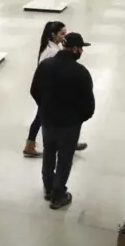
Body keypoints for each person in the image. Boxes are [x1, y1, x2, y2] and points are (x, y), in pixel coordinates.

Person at [30, 32, 95, 209]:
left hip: (48, 120)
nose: (82, 51)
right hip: (69, 124)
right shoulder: (81, 73)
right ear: (74, 49)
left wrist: (44, 108)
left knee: (49, 152)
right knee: (65, 158)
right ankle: (59, 195)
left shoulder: (45, 66)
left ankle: (48, 187)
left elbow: (34, 90)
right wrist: (80, 118)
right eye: (81, 48)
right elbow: (89, 104)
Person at [23, 21, 88, 158]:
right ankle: (33, 145)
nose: (64, 36)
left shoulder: (50, 47)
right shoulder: (52, 51)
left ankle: (31, 144)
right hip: (49, 92)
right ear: (54, 34)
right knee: (43, 118)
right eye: (62, 34)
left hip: (47, 91)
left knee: (41, 117)